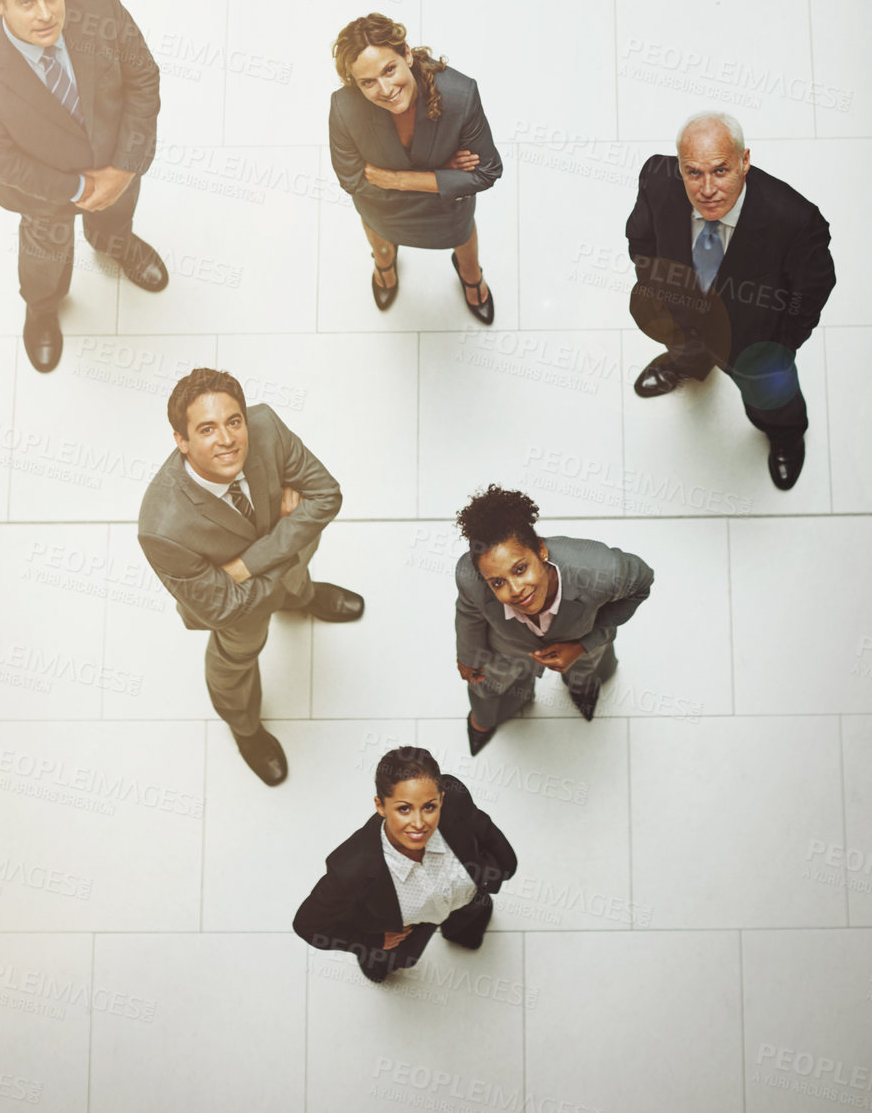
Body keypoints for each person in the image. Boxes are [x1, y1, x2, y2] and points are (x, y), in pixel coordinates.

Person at [0, 0, 167, 374]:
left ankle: (114, 243)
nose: (46, 14)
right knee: (44, 255)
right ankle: (43, 309)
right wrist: (80, 186)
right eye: (27, 2)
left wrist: (123, 168)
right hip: (43, 190)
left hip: (118, 161)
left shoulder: (99, 0)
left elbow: (143, 78)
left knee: (116, 216)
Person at [137, 367, 362, 786]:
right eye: (206, 429)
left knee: (296, 581)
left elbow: (327, 495)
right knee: (235, 663)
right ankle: (245, 728)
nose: (227, 439)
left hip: (264, 573)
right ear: (181, 442)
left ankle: (302, 598)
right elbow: (224, 606)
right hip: (237, 614)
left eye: (233, 421)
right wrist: (284, 529)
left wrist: (245, 565)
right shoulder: (161, 525)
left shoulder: (266, 427)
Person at [626, 111, 837, 491]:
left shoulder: (795, 220)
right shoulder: (658, 178)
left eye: (720, 171)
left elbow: (812, 292)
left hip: (754, 341)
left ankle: (785, 436)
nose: (707, 189)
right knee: (686, 349)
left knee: (772, 398)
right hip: (684, 315)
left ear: (744, 161)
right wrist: (661, 289)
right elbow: (641, 239)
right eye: (693, 173)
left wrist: (780, 345)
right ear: (680, 168)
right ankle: (689, 366)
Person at [329, 13, 503, 322]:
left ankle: (471, 276)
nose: (384, 89)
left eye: (389, 69)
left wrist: (398, 180)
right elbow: (352, 180)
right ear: (355, 84)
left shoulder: (460, 96)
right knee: (379, 239)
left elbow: (488, 171)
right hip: (383, 208)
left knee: (462, 234)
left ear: (406, 54)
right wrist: (444, 174)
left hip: (445, 209)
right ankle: (384, 265)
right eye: (368, 82)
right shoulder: (344, 107)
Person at [454, 485, 653, 755]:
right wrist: (468, 656)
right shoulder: (470, 576)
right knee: (489, 684)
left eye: (521, 569)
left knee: (585, 672)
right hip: (506, 645)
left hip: (579, 637)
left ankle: (581, 691)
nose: (515, 590)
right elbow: (469, 610)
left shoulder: (603, 570)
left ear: (541, 551)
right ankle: (485, 720)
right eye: (498, 582)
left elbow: (642, 583)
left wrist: (584, 644)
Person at [293, 745, 516, 983]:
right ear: (381, 806)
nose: (419, 824)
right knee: (389, 962)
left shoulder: (455, 798)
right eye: (404, 809)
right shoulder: (351, 869)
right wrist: (372, 942)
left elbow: (487, 834)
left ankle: (461, 933)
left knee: (469, 925)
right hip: (404, 928)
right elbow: (308, 925)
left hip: (466, 899)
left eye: (429, 807)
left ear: (442, 799)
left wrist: (489, 877)